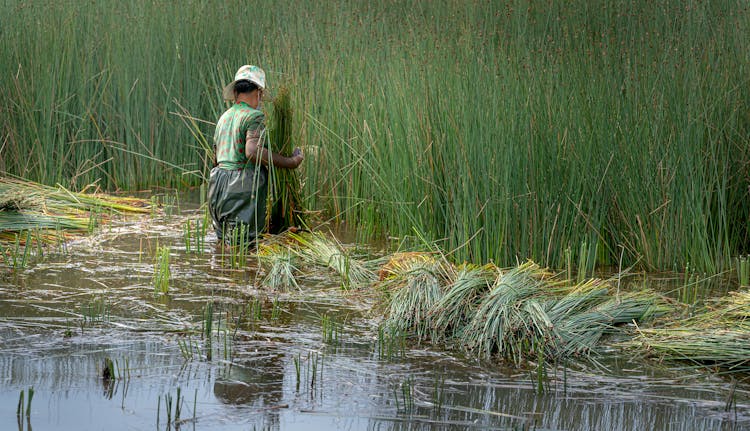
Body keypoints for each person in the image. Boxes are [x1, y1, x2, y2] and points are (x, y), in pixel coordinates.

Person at [208, 65, 304, 246]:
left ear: (235, 92)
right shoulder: (254, 116)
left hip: (216, 185)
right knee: (244, 246)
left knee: (223, 244)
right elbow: (252, 151)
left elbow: (215, 158)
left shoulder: (224, 117)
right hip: (240, 186)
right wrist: (291, 162)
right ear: (258, 92)